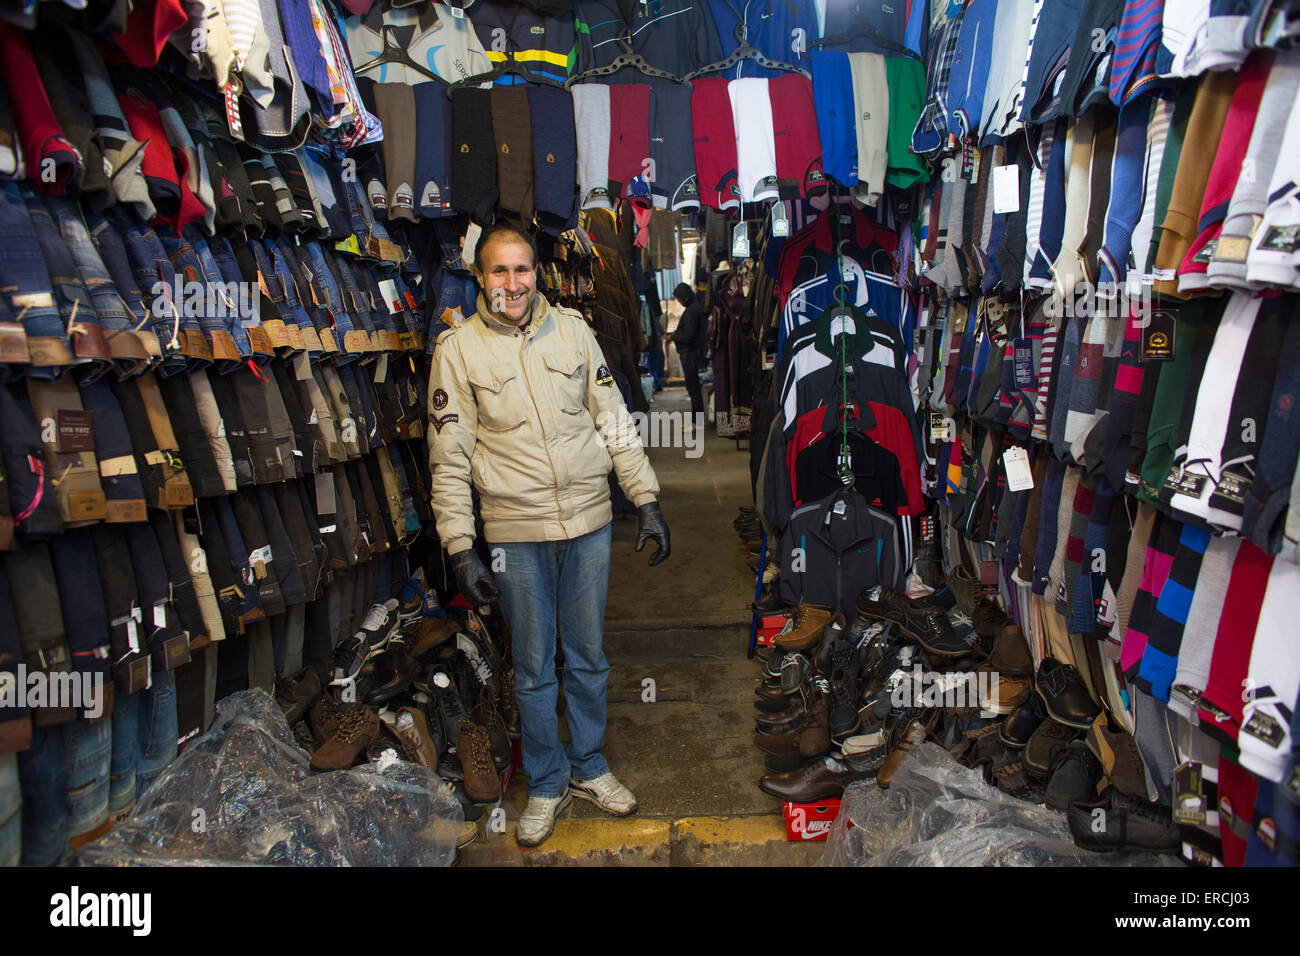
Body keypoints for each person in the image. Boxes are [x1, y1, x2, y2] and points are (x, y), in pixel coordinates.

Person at [426, 223, 671, 848]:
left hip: (588, 523)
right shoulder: (457, 350)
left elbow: (613, 419)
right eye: (499, 271)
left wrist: (645, 500)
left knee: (588, 658)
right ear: (480, 278)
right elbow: (448, 458)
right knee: (533, 668)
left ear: (538, 272)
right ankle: (546, 781)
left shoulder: (574, 330)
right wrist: (460, 547)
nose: (513, 283)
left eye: (523, 270)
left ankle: (590, 765)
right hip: (515, 533)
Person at [670, 282, 706, 422]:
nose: (679, 301)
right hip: (690, 353)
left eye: (679, 298)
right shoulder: (694, 308)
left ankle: (697, 418)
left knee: (693, 387)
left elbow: (688, 336)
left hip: (689, 354)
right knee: (693, 386)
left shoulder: (692, 311)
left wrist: (674, 336)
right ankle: (696, 417)